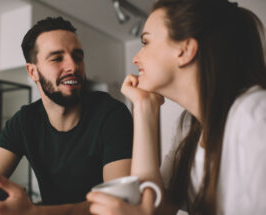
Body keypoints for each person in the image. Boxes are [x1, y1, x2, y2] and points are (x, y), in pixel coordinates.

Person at [0, 17, 133, 215]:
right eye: (57, 58)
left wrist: (33, 213)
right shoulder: (24, 121)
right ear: (33, 71)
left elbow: (117, 203)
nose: (73, 67)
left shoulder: (112, 114)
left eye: (78, 57)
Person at [87, 0, 266, 214]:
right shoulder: (189, 127)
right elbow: (154, 206)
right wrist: (144, 107)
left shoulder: (255, 115)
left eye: (145, 42)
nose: (136, 58)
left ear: (185, 50)